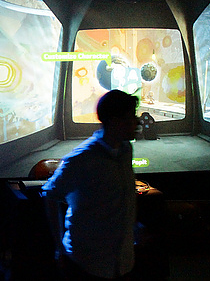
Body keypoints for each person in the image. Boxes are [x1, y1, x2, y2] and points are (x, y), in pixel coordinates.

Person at [42, 89, 139, 280]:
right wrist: (59, 248)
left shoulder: (126, 149)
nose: (136, 122)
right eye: (130, 118)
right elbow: (50, 193)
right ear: (114, 121)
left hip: (123, 263)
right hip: (87, 264)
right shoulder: (82, 158)